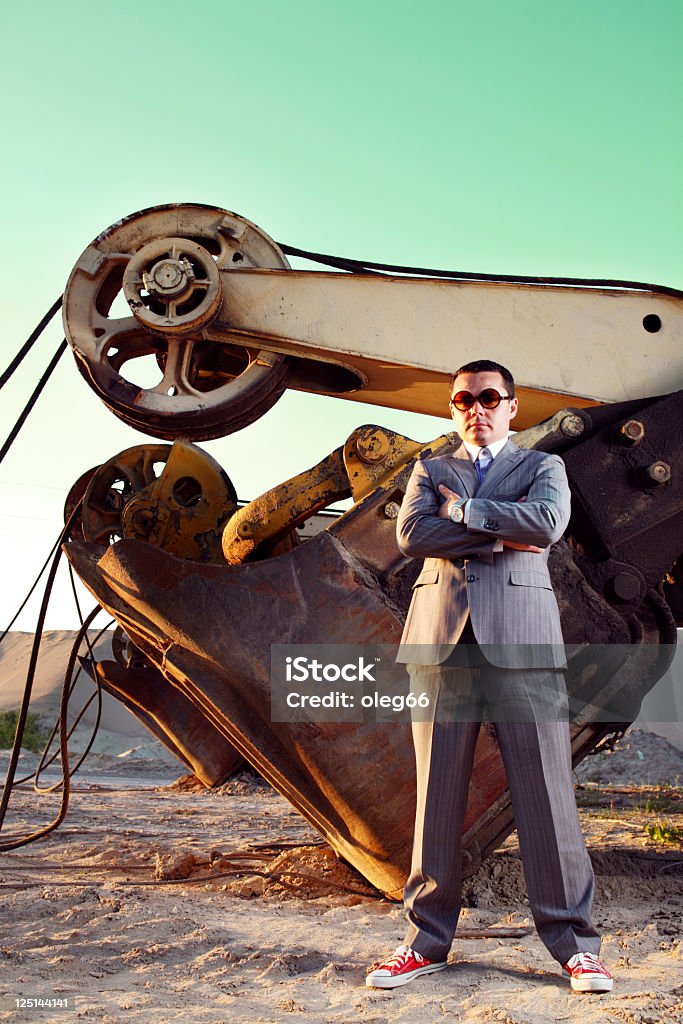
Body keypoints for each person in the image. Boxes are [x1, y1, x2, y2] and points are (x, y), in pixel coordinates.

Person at [366, 359, 613, 994]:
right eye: (463, 399)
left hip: (524, 644)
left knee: (548, 796)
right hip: (442, 643)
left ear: (511, 406)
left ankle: (576, 946)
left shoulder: (543, 468)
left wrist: (470, 510)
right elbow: (413, 533)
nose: (476, 408)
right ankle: (425, 941)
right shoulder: (430, 468)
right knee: (436, 798)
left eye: (488, 398)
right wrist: (502, 532)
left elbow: (547, 525)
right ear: (453, 408)